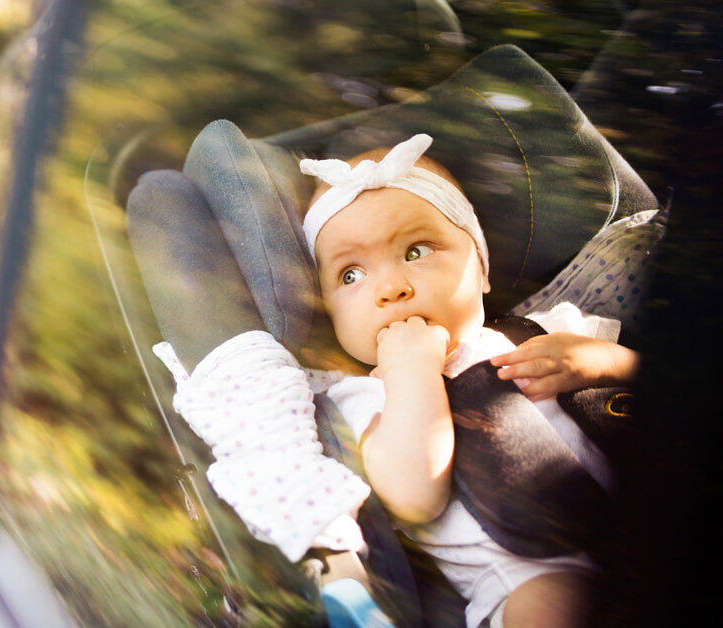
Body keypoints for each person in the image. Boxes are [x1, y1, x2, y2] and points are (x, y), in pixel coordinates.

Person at [155, 134, 639, 628]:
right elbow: (415, 496)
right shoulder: (362, 396)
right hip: (529, 574)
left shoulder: (550, 327)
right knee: (556, 604)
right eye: (351, 275)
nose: (391, 288)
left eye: (416, 251)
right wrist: (413, 372)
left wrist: (604, 361)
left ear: (481, 268)